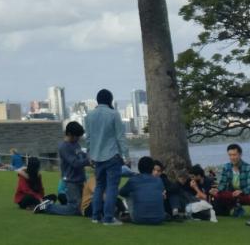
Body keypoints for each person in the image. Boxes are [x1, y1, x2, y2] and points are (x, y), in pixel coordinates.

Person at [85, 88, 129, 226]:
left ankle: (95, 216)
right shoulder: (114, 114)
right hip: (112, 156)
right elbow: (120, 137)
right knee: (111, 188)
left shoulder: (89, 115)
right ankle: (108, 218)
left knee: (99, 187)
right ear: (110, 100)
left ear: (98, 100)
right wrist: (126, 156)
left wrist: (90, 155)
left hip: (97, 157)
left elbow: (89, 139)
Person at [37, 121, 89, 216]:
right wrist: (89, 160)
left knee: (82, 207)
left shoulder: (76, 144)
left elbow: (81, 155)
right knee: (74, 209)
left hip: (80, 179)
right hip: (71, 180)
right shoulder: (64, 147)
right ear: (69, 134)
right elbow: (75, 163)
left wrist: (89, 156)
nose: (78, 138)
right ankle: (48, 207)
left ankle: (49, 205)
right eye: (76, 136)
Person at [210, 143, 250, 218]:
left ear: (240, 155)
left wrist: (241, 191)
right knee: (217, 194)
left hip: (244, 194)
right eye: (230, 155)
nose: (232, 157)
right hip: (232, 194)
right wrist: (217, 190)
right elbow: (223, 183)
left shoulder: (248, 167)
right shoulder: (226, 167)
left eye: (234, 155)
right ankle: (236, 208)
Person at [118, 156, 166, 225]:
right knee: (154, 193)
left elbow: (122, 192)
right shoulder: (159, 180)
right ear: (152, 168)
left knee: (129, 194)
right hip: (159, 218)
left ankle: (132, 213)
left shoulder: (134, 180)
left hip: (138, 218)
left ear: (139, 167)